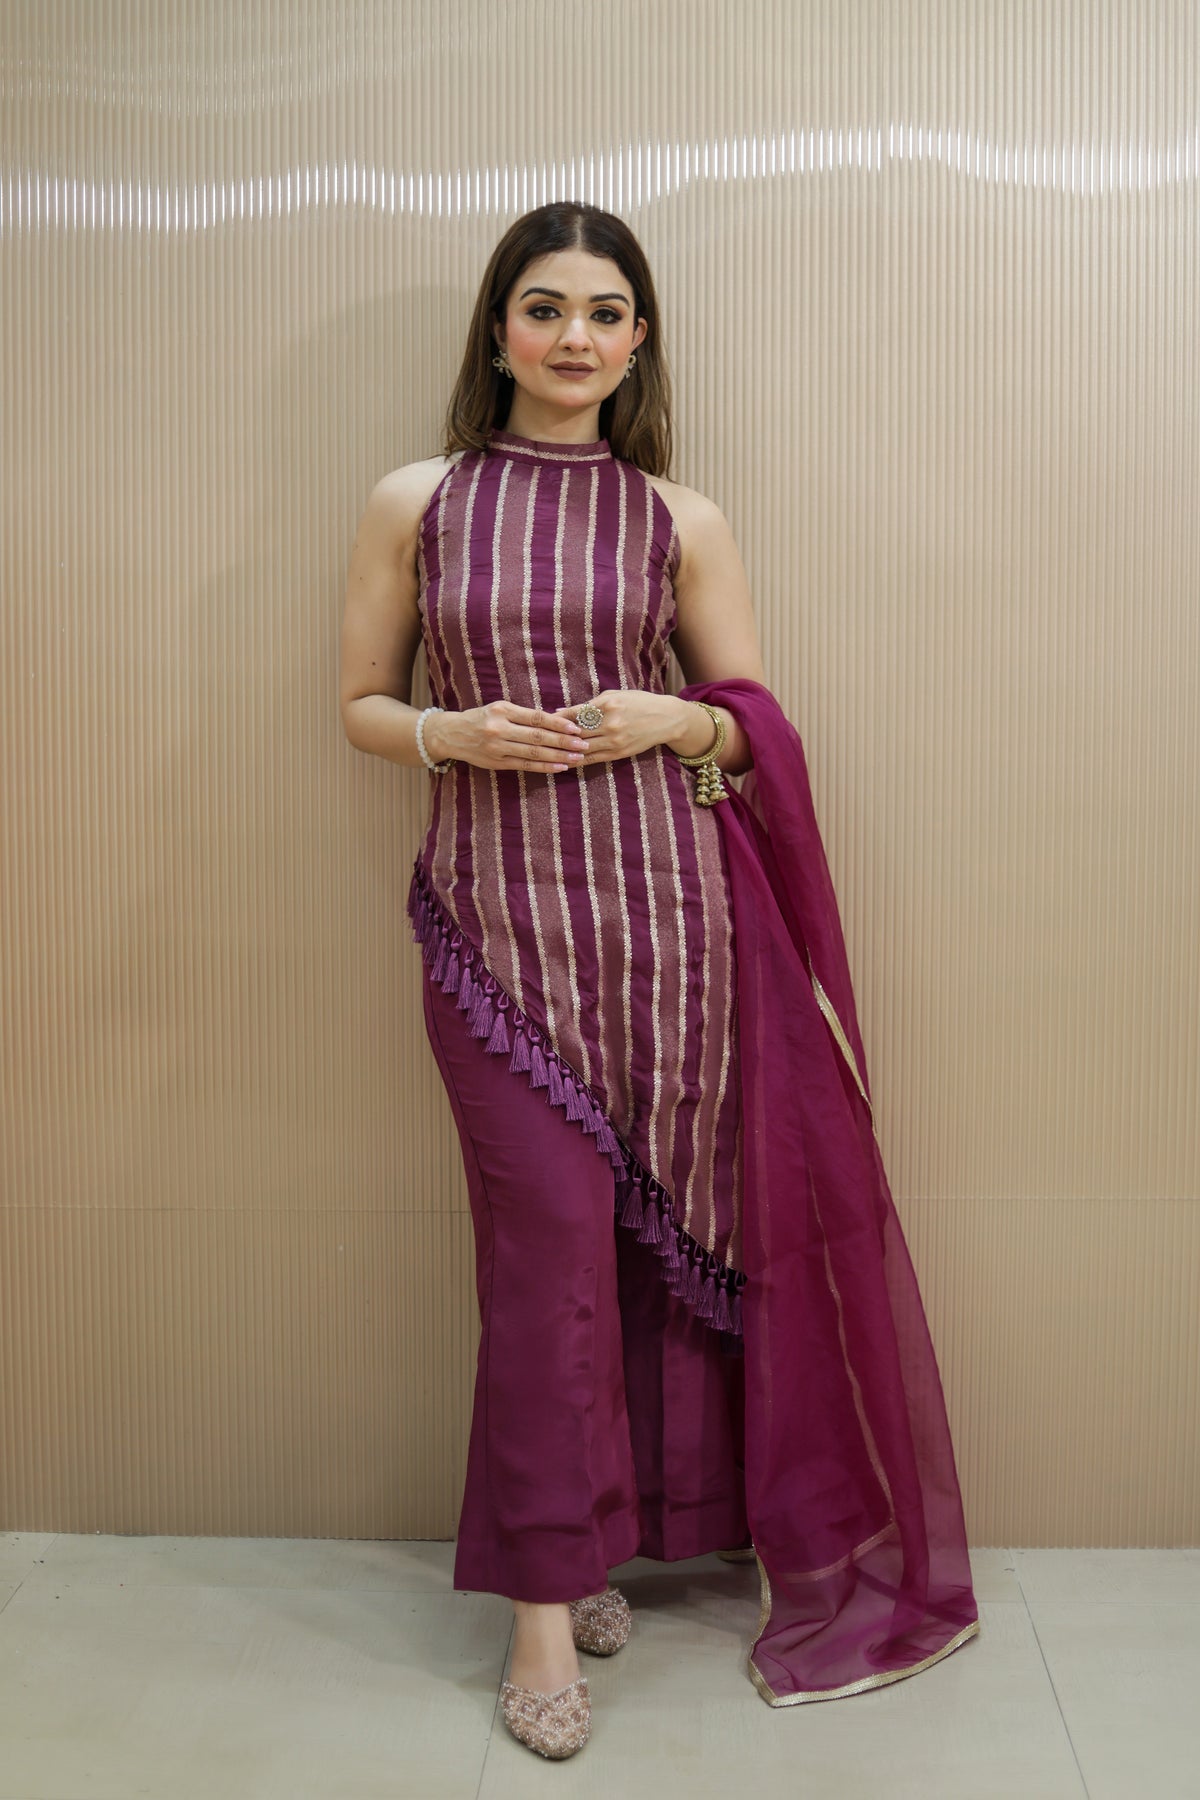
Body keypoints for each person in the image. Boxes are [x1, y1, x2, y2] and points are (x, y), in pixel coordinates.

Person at [340, 201, 980, 1762]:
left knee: (642, 1260)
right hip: (498, 936)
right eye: (545, 307)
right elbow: (357, 700)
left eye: (606, 313)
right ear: (500, 329)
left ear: (638, 342)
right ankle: (540, 1614)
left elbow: (750, 718)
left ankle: (605, 1543)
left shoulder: (678, 518)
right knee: (544, 1260)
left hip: (675, 937)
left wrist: (671, 718)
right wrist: (443, 733)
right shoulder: (419, 500)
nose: (576, 337)